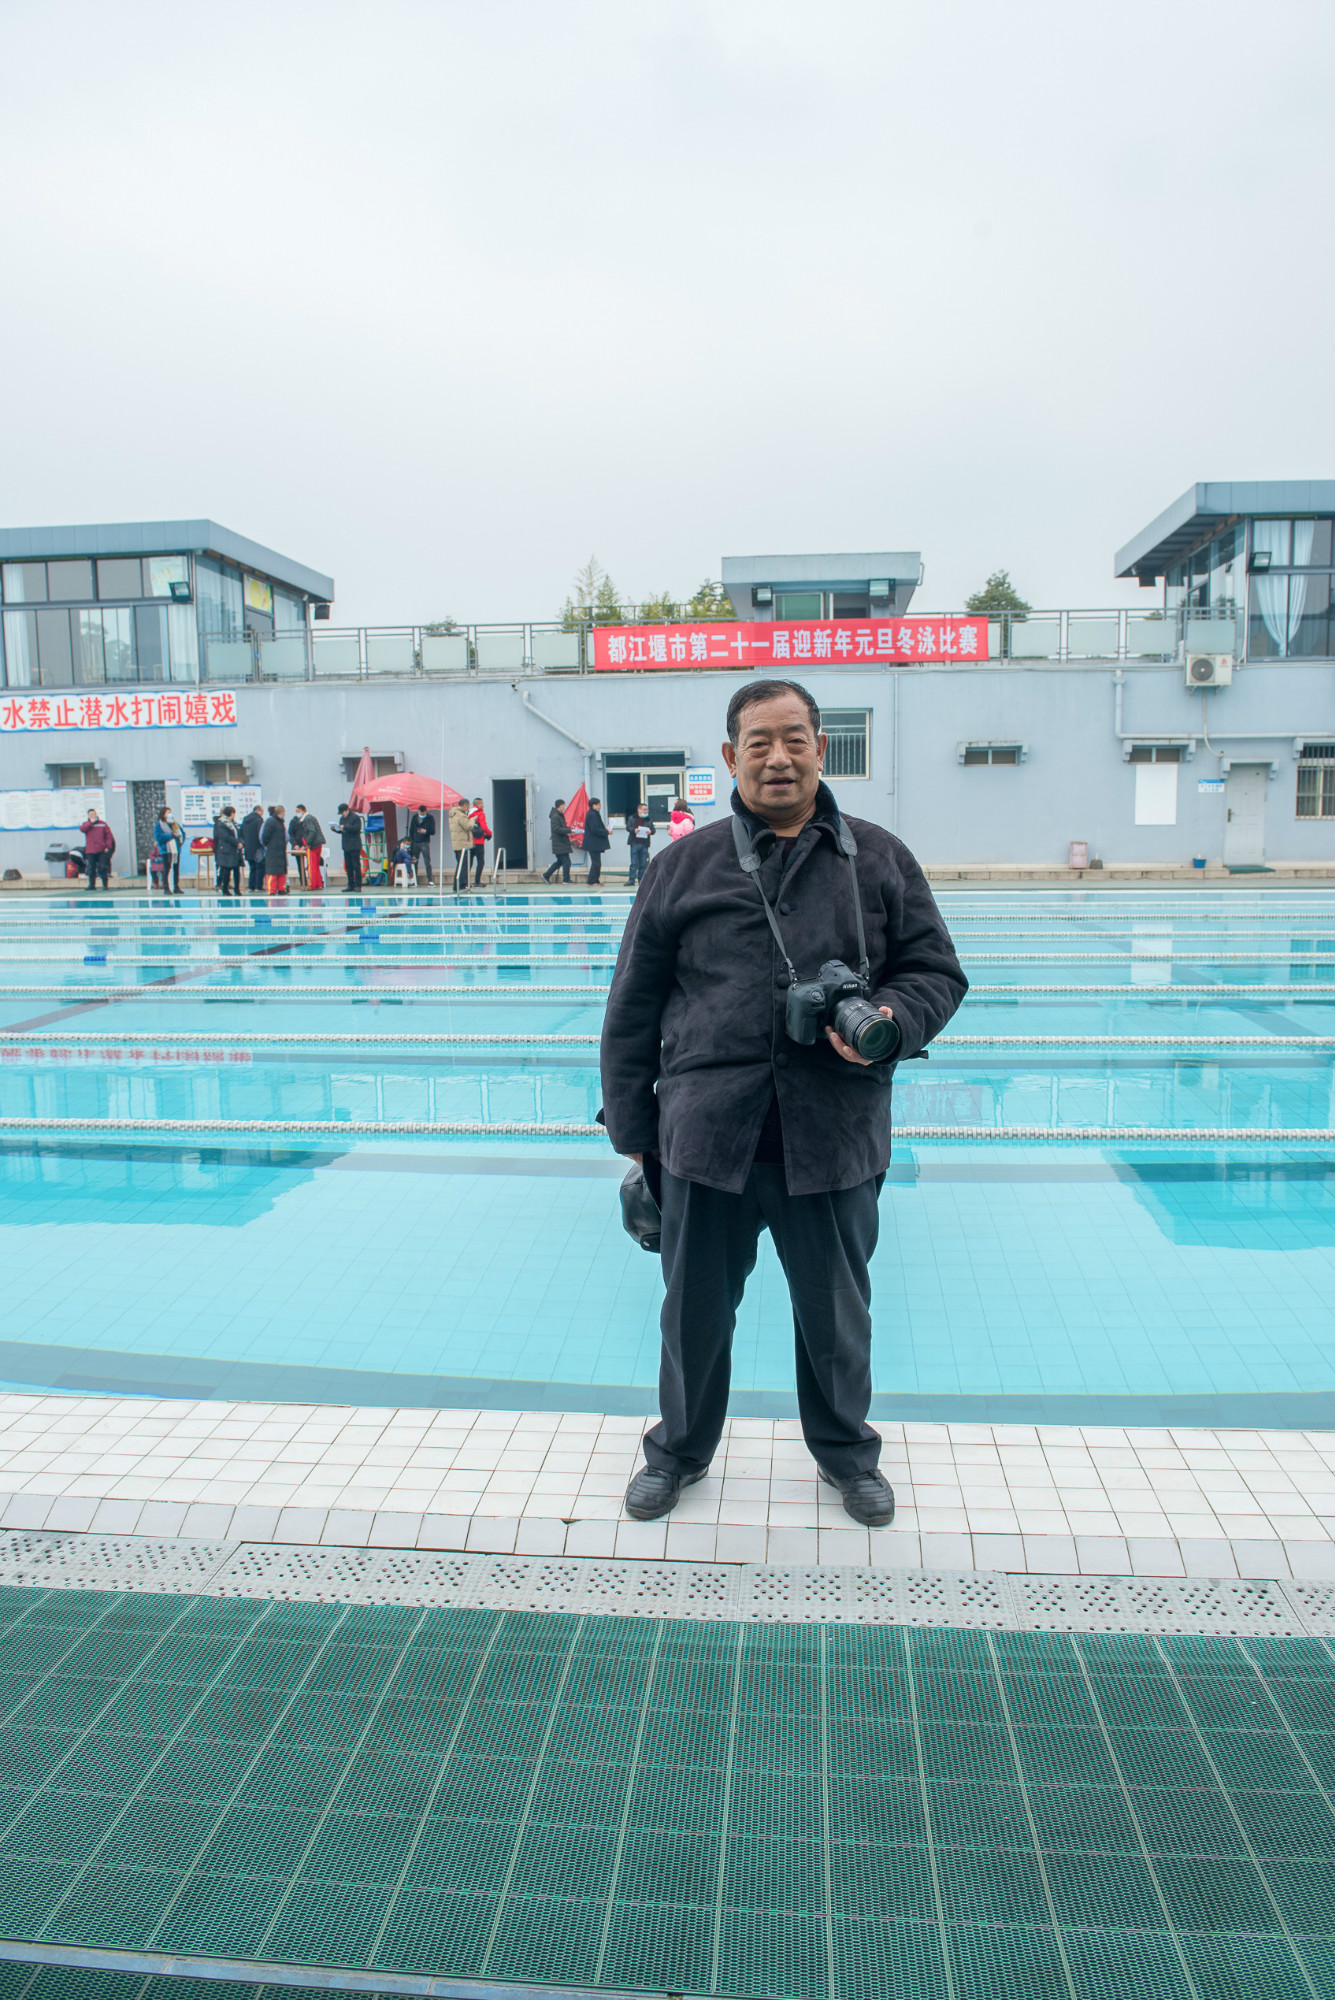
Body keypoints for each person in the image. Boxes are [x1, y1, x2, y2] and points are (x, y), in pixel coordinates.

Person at [601, 678, 966, 1529]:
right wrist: (634, 1137)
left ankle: (846, 1456)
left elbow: (935, 972)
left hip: (832, 1136)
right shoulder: (682, 867)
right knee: (692, 1317)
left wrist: (889, 1020)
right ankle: (677, 1452)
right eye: (758, 743)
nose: (777, 758)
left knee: (836, 1319)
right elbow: (631, 1005)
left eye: (794, 739)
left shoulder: (878, 858)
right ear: (731, 756)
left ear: (819, 749)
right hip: (705, 1138)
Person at [80, 809, 115, 891]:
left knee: (102, 867)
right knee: (91, 867)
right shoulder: (86, 824)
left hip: (101, 850)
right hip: (90, 850)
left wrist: (107, 846)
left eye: (94, 814)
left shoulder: (102, 824)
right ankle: (91, 885)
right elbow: (82, 829)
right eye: (91, 814)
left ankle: (105, 885)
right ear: (88, 816)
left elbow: (108, 836)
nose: (93, 816)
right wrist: (90, 823)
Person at [213, 806, 243, 897]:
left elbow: (238, 833)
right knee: (227, 870)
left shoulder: (233, 823)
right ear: (231, 813)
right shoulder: (221, 824)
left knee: (237, 870)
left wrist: (240, 842)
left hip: (236, 850)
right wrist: (236, 842)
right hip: (227, 850)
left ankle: (237, 889)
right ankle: (225, 889)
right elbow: (225, 836)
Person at [295, 806, 326, 890]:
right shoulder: (311, 818)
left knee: (311, 865)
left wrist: (308, 843)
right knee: (316, 865)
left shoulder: (307, 819)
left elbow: (312, 831)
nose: (297, 813)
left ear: (302, 810)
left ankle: (312, 885)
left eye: (297, 811)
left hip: (313, 845)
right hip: (318, 843)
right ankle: (318, 884)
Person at [260, 804, 289, 895]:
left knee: (281, 871)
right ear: (282, 812)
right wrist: (269, 845)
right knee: (272, 871)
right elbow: (265, 836)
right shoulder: (271, 822)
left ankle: (281, 888)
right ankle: (272, 890)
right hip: (273, 850)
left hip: (280, 850)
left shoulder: (280, 822)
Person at [152, 807, 181, 895]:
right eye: (168, 812)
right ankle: (166, 887)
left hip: (175, 849)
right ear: (163, 814)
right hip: (166, 849)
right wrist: (170, 836)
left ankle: (176, 886)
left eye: (170, 812)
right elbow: (158, 837)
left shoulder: (174, 823)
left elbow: (181, 832)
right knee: (166, 868)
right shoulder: (159, 825)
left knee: (176, 868)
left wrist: (180, 839)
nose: (169, 814)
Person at [543, 799, 572, 884]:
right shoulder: (556, 816)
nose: (564, 807)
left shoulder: (559, 815)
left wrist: (571, 829)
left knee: (560, 862)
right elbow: (556, 829)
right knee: (566, 862)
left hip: (561, 843)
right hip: (560, 843)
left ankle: (546, 875)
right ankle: (566, 880)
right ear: (560, 806)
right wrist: (569, 830)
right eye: (564, 805)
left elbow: (562, 827)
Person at [582, 796, 609, 887]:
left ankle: (596, 880)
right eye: (598, 805)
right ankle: (591, 880)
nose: (600, 806)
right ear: (594, 805)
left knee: (597, 862)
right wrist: (606, 832)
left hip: (595, 843)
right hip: (592, 843)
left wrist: (604, 829)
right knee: (595, 862)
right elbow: (594, 829)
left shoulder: (594, 814)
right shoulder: (591, 815)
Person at [337, 804, 364, 892]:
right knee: (348, 866)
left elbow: (357, 828)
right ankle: (350, 885)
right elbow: (342, 830)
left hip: (354, 845)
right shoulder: (342, 819)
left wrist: (345, 827)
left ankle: (358, 885)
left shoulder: (355, 818)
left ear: (347, 810)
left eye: (343, 812)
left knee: (356, 866)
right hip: (346, 845)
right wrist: (336, 829)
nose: (342, 814)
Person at [625, 804, 654, 888]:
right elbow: (628, 827)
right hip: (634, 842)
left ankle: (642, 880)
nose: (646, 811)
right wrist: (634, 830)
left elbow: (653, 829)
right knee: (634, 863)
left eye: (647, 810)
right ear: (639, 810)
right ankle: (631, 880)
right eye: (644, 809)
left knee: (643, 863)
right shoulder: (632, 818)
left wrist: (650, 832)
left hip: (644, 843)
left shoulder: (648, 819)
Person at [448, 798, 473, 892]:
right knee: (463, 866)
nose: (468, 808)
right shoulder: (461, 815)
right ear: (465, 806)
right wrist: (472, 820)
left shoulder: (453, 814)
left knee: (460, 865)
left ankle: (457, 885)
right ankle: (462, 885)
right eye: (468, 807)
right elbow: (467, 827)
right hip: (462, 844)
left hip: (457, 844)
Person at [408, 806, 436, 886]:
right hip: (415, 842)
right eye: (420, 813)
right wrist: (411, 841)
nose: (422, 815)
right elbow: (411, 830)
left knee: (427, 862)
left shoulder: (430, 818)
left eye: (423, 813)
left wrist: (425, 831)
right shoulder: (415, 817)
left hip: (425, 842)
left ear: (426, 811)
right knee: (414, 861)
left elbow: (433, 831)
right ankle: (414, 879)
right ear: (418, 811)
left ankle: (430, 880)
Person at [240, 802, 265, 892]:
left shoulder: (245, 820)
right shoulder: (259, 820)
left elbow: (241, 834)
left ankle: (251, 886)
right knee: (260, 867)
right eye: (262, 812)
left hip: (248, 848)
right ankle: (258, 886)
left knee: (252, 868)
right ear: (258, 810)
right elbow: (261, 834)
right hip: (258, 848)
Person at [468, 796, 491, 886]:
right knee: (480, 862)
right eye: (482, 803)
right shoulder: (480, 814)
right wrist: (489, 833)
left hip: (470, 841)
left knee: (469, 863)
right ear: (478, 804)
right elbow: (484, 827)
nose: (483, 805)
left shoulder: (469, 813)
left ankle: (465, 881)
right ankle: (477, 881)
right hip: (479, 842)